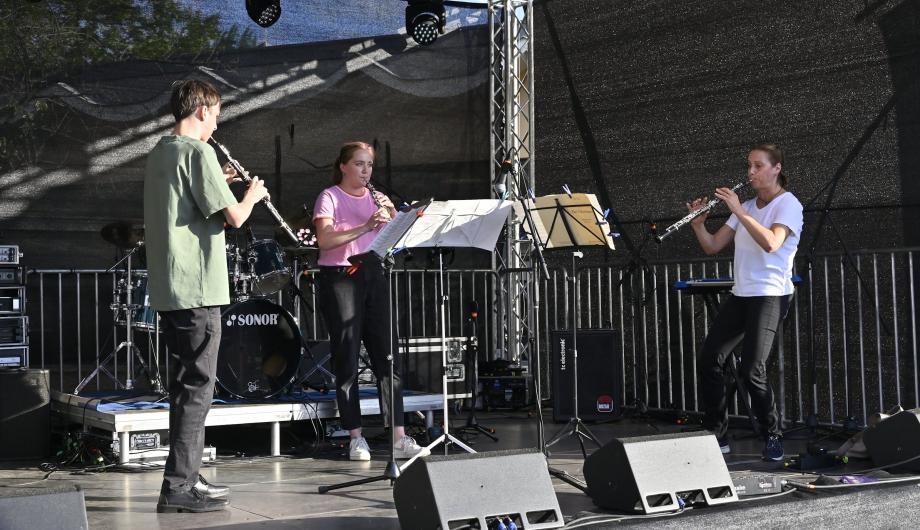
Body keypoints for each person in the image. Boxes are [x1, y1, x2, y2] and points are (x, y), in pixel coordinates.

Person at [145, 79, 269, 512]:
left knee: (186, 390)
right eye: (216, 113)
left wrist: (221, 179)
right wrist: (250, 194)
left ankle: (188, 479)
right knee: (197, 390)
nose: (217, 122)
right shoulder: (199, 152)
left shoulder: (161, 151)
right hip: (197, 288)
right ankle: (178, 487)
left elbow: (190, 201)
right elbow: (233, 217)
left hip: (169, 287)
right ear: (201, 110)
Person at [312, 141, 428, 461]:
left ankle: (398, 436)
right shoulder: (330, 197)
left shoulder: (377, 198)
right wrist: (364, 225)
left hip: (373, 273)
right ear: (344, 166)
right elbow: (325, 239)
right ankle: (355, 436)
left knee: (387, 356)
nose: (366, 171)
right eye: (360, 164)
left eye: (370, 165)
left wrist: (396, 219)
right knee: (347, 357)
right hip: (341, 277)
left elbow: (394, 242)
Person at [688, 143, 803, 461]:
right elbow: (712, 246)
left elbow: (772, 242)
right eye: (749, 166)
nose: (750, 172)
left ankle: (773, 435)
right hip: (742, 294)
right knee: (710, 359)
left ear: (776, 168)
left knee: (753, 368)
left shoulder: (788, 205)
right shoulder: (748, 206)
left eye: (757, 166)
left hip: (771, 294)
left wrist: (738, 210)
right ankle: (717, 435)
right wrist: (699, 225)